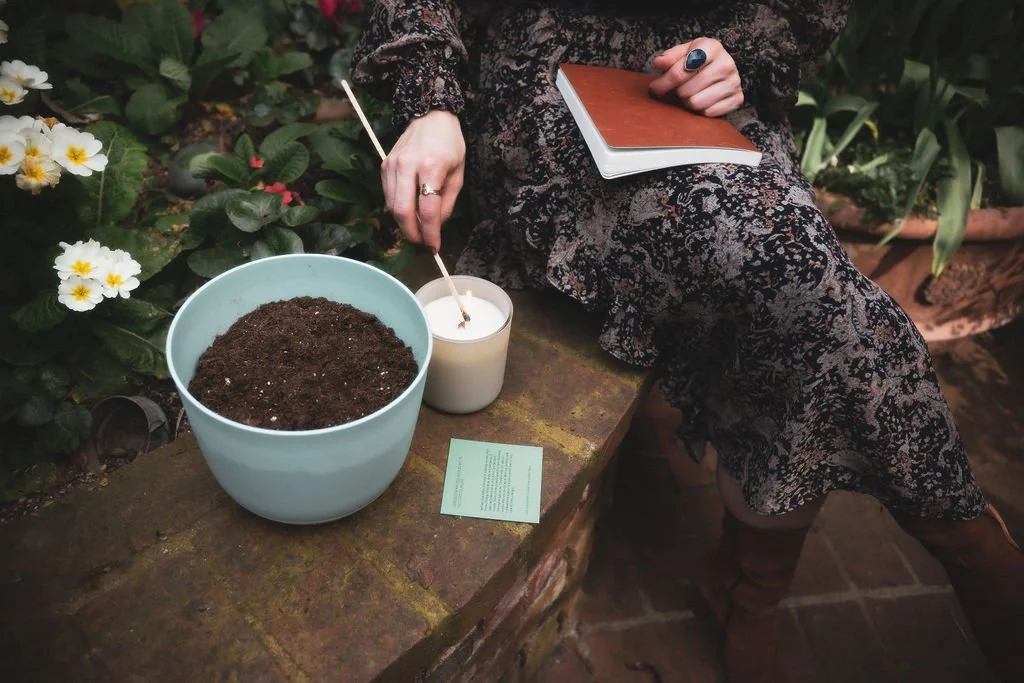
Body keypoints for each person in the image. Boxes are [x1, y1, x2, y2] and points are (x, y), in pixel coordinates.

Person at [351, 2, 1024, 681]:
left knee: (810, 293)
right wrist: (431, 103)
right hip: (549, 81)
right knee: (789, 280)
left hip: (698, 91)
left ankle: (763, 587)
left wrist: (735, 51)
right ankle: (960, 546)